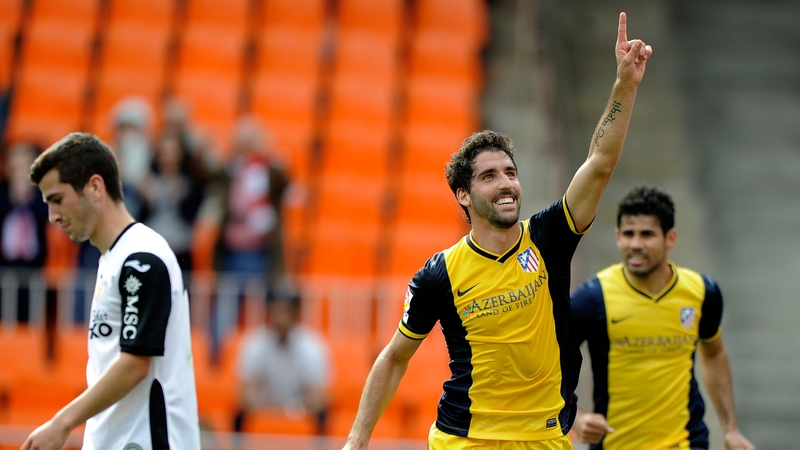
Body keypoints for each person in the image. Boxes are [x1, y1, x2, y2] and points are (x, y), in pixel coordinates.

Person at [343, 12, 652, 450]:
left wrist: (625, 85)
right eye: (489, 176)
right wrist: (357, 440)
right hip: (466, 439)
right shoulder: (440, 275)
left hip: (544, 438)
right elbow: (394, 358)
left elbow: (600, 163)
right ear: (463, 196)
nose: (506, 183)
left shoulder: (548, 238)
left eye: (510, 172)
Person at [24, 132, 200, 449]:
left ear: (94, 187)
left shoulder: (142, 260)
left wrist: (62, 423)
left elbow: (135, 365)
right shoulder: (115, 257)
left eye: (57, 200)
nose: (52, 217)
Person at [570, 187, 755, 450]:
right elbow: (548, 365)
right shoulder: (592, 298)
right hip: (616, 445)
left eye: (647, 234)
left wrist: (731, 429)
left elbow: (714, 354)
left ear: (671, 239)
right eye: (628, 234)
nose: (635, 244)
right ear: (616, 237)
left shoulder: (702, 292)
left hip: (686, 443)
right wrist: (576, 416)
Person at [234, 288, 330, 434]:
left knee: (324, 418)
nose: (281, 318)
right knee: (238, 417)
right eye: (277, 312)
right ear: (269, 313)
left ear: (295, 315)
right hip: (263, 414)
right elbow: (244, 395)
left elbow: (319, 398)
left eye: (286, 312)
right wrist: (269, 412)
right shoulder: (254, 344)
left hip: (300, 415)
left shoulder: (312, 347)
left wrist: (292, 410)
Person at [0, 142, 48, 322]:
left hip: (33, 269)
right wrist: (14, 197)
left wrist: (26, 196)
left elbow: (46, 217)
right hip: (4, 268)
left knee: (30, 316)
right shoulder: (3, 194)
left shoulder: (41, 196)